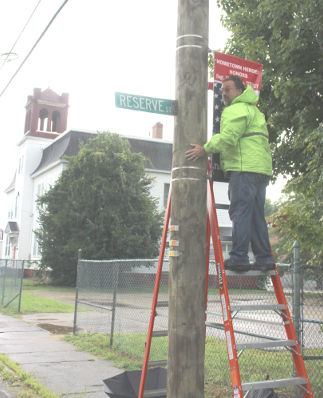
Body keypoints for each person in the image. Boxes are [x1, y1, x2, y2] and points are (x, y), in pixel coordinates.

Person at [185, 75, 275, 272]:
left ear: (240, 91)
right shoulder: (255, 111)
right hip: (260, 170)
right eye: (222, 90)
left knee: (240, 212)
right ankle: (264, 258)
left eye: (228, 89)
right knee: (256, 215)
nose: (223, 93)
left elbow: (227, 138)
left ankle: (239, 258)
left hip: (244, 169)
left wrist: (204, 149)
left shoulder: (235, 109)